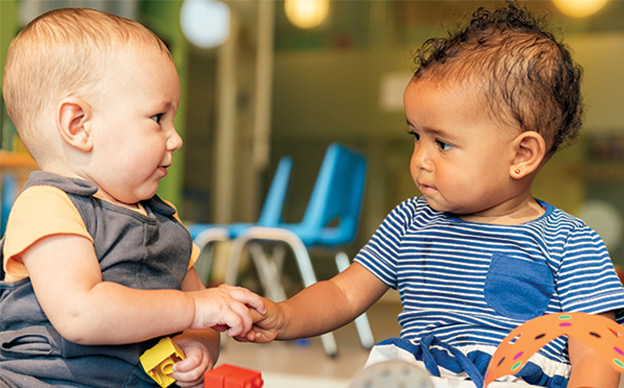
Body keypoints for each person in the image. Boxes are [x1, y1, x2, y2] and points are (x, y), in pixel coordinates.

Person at [242, 3, 624, 387]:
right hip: (424, 375)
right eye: (416, 137)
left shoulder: (570, 242)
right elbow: (343, 293)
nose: (420, 160)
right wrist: (284, 316)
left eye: (442, 144)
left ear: (521, 155)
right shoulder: (409, 220)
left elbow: (594, 346)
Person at [0, 8, 264, 388]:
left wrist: (200, 344)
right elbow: (81, 312)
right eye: (158, 118)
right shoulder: (49, 206)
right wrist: (192, 309)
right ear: (79, 125)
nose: (175, 139)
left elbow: (201, 315)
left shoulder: (165, 222)